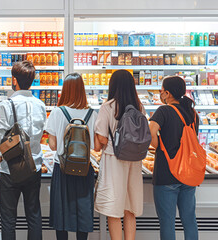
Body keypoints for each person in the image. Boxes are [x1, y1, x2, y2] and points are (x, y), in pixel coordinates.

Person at [0, 60, 46, 240]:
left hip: (10, 169)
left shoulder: (6, 105)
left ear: (14, 80)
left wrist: (0, 157)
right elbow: (38, 135)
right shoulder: (40, 105)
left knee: (8, 220)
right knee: (34, 215)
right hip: (34, 167)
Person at [93, 69, 144, 240]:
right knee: (130, 207)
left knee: (113, 208)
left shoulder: (108, 106)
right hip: (135, 161)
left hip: (114, 159)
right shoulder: (139, 106)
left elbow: (101, 137)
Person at [46, 73, 97, 240]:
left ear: (65, 91)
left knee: (62, 214)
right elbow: (96, 146)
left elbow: (53, 146)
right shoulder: (92, 114)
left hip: (62, 169)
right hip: (84, 169)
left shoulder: (57, 113)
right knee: (83, 212)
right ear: (82, 90)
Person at [148, 76, 199, 240]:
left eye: (161, 91)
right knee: (189, 220)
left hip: (166, 173)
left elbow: (150, 132)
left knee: (167, 222)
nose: (161, 94)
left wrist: (158, 147)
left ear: (168, 93)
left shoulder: (164, 111)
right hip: (189, 173)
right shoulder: (193, 112)